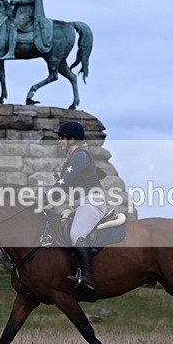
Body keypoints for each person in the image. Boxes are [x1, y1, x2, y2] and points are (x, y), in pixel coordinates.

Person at [50, 120, 106, 290]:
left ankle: (88, 277)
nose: (60, 141)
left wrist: (40, 199)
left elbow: (62, 184)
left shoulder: (80, 156)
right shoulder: (76, 158)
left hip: (91, 202)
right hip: (80, 203)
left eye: (62, 137)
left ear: (71, 139)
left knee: (77, 233)